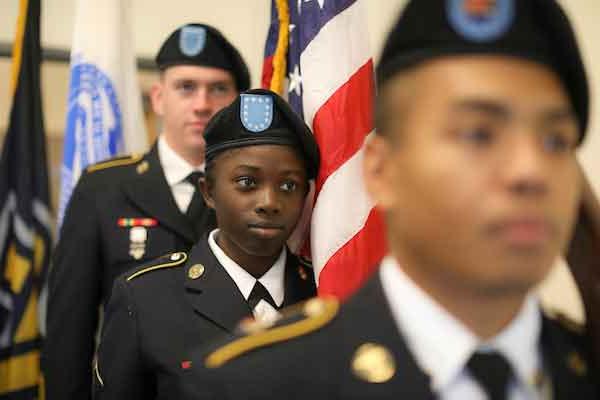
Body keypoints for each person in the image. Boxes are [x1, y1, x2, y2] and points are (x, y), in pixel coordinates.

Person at [180, 0, 599, 399]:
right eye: (478, 134)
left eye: (554, 140)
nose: (529, 171)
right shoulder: (255, 385)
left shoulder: (584, 373)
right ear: (380, 170)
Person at [43, 23, 250, 400]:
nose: (202, 103)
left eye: (218, 89)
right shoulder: (103, 188)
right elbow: (69, 331)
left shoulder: (254, 193)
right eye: (185, 87)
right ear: (158, 97)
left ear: (237, 101)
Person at [91, 88, 319, 400]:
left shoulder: (324, 291)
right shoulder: (145, 299)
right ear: (208, 192)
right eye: (247, 183)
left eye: (288, 185)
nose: (269, 202)